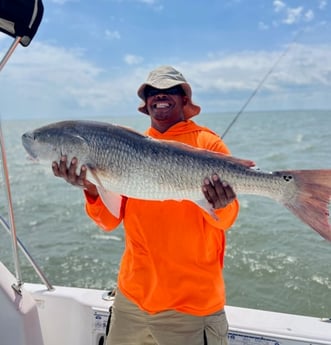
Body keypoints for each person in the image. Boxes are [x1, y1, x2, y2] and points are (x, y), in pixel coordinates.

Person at [52, 65, 240, 345]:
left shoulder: (207, 143)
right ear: (146, 102)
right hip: (131, 301)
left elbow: (226, 220)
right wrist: (90, 187)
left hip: (190, 307)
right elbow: (108, 221)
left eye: (170, 91)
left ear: (184, 100)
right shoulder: (127, 147)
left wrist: (222, 204)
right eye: (153, 92)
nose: (160, 96)